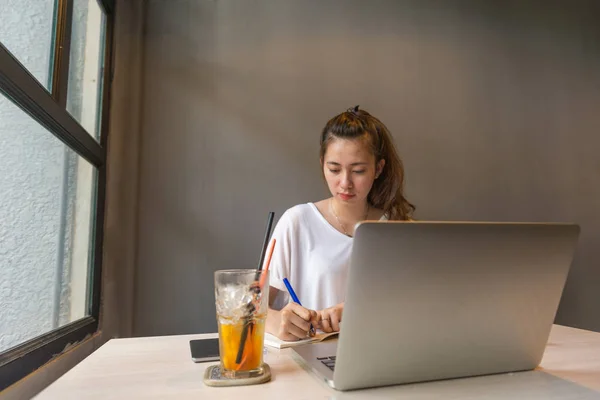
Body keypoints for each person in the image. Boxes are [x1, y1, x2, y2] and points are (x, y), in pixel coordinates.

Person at [265, 106, 415, 341]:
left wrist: (359, 310)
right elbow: (252, 309)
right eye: (334, 169)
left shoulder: (396, 229)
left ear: (378, 169)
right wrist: (277, 322)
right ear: (322, 163)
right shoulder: (297, 222)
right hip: (306, 356)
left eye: (358, 171)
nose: (345, 183)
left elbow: (412, 310)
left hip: (378, 357)